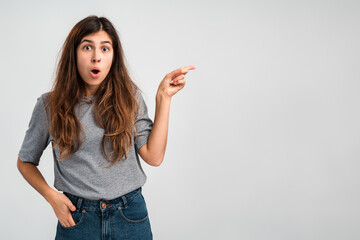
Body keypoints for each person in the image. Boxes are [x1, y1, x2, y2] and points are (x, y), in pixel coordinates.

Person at [16, 15, 195, 240]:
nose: (96, 57)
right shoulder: (49, 105)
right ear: (73, 54)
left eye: (105, 49)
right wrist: (52, 197)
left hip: (129, 216)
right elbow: (25, 161)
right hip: (77, 219)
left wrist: (164, 97)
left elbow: (154, 156)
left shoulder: (130, 98)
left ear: (113, 56)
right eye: (87, 47)